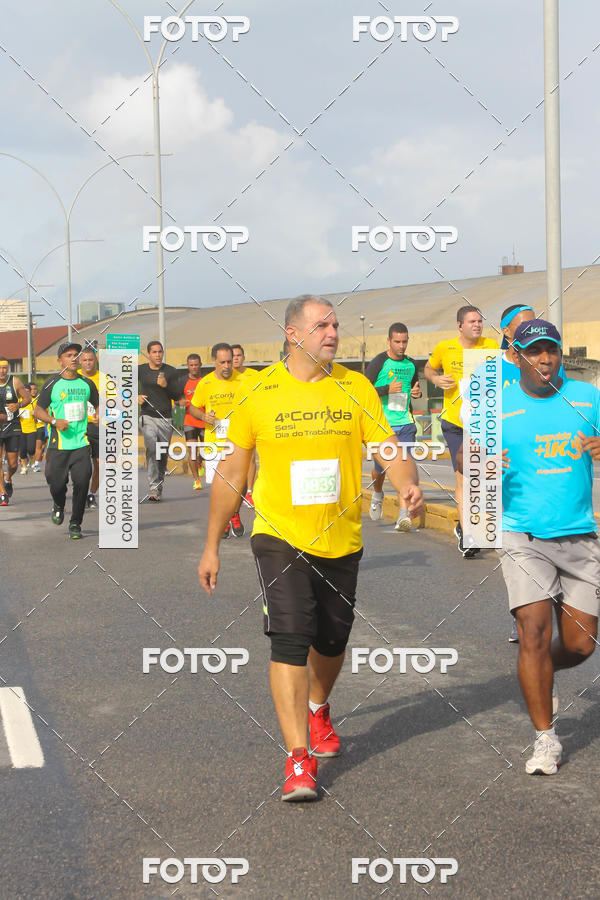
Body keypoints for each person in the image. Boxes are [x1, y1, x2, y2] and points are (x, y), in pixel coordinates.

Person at [197, 295, 424, 801]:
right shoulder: (257, 392)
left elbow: (388, 447)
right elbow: (231, 472)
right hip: (279, 535)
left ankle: (318, 707)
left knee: (332, 640)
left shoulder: (355, 387)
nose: (333, 333)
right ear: (293, 334)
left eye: (336, 324)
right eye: (322, 325)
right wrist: (211, 545)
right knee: (290, 637)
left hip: (341, 537)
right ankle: (298, 757)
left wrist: (407, 483)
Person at [498, 319, 600, 775]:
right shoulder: (497, 405)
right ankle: (545, 739)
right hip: (522, 536)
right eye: (534, 351)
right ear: (517, 357)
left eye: (551, 350)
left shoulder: (588, 397)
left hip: (579, 535)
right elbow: (464, 458)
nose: (544, 359)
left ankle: (542, 671)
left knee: (580, 645)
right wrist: (483, 461)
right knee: (533, 632)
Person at [424, 306, 499, 558]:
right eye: (472, 321)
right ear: (459, 325)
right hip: (455, 422)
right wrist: (436, 379)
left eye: (479, 321)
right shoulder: (444, 348)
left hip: (483, 423)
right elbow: (428, 369)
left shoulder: (490, 345)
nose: (477, 325)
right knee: (464, 476)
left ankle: (466, 524)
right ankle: (469, 536)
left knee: (485, 476)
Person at [34, 342, 99, 539]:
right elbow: (38, 410)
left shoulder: (87, 384)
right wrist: (55, 421)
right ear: (60, 361)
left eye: (76, 355)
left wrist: (98, 414)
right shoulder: (52, 384)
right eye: (68, 355)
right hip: (59, 444)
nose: (73, 358)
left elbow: (98, 405)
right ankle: (59, 504)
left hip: (81, 443)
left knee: (82, 482)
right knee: (56, 484)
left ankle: (75, 523)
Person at [366, 322, 422, 531]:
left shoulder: (412, 364)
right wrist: (386, 389)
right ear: (389, 341)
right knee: (380, 470)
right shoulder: (379, 362)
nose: (401, 346)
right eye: (397, 341)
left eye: (404, 341)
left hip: (406, 423)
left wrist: (417, 393)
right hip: (383, 426)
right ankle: (377, 493)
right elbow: (364, 391)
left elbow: (415, 387)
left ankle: (403, 516)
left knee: (405, 467)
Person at [188, 343, 244, 537]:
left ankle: (233, 513)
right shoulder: (205, 383)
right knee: (219, 487)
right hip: (214, 439)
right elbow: (193, 407)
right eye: (222, 362)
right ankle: (226, 517)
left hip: (238, 439)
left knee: (236, 484)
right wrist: (203, 416)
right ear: (214, 361)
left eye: (229, 361)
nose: (227, 366)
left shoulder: (243, 380)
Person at [138, 341, 181, 502]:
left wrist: (166, 385)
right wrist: (135, 396)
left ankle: (159, 483)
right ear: (148, 353)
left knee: (161, 454)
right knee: (151, 447)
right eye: (154, 352)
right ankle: (153, 486)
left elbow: (177, 395)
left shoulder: (170, 371)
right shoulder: (141, 370)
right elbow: (121, 383)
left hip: (165, 417)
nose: (157, 355)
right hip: (147, 415)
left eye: (160, 352)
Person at [0, 359, 31, 506]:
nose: (2, 371)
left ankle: (8, 479)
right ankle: (2, 493)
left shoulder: (15, 382)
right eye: (0, 368)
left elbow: (27, 399)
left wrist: (18, 405)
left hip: (12, 425)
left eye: (5, 368)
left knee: (13, 464)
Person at [232, 343, 259, 506]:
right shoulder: (226, 376)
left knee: (250, 457)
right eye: (233, 356)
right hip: (228, 423)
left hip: (249, 420)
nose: (236, 359)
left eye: (238, 355)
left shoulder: (254, 375)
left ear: (243, 357)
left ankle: (249, 492)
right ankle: (233, 491)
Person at [179, 353, 206, 491]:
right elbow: (176, 398)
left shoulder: (206, 380)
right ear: (188, 366)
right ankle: (196, 480)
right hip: (189, 420)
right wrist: (179, 402)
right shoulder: (182, 381)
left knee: (207, 449)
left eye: (196, 365)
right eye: (191, 365)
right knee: (192, 450)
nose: (194, 367)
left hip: (204, 419)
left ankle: (200, 461)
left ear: (200, 365)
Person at [78, 346, 100, 509]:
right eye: (84, 360)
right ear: (80, 361)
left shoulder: (105, 379)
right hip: (78, 427)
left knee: (100, 464)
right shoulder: (74, 377)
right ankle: (80, 492)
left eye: (90, 359)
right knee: (82, 466)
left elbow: (115, 402)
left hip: (99, 427)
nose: (88, 363)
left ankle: (91, 494)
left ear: (96, 360)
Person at [18, 384, 39, 474]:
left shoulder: (34, 401)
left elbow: (40, 413)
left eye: (27, 391)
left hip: (32, 429)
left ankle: (32, 461)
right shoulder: (18, 401)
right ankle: (24, 467)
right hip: (21, 429)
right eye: (24, 391)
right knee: (22, 450)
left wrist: (35, 413)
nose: (25, 393)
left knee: (31, 449)